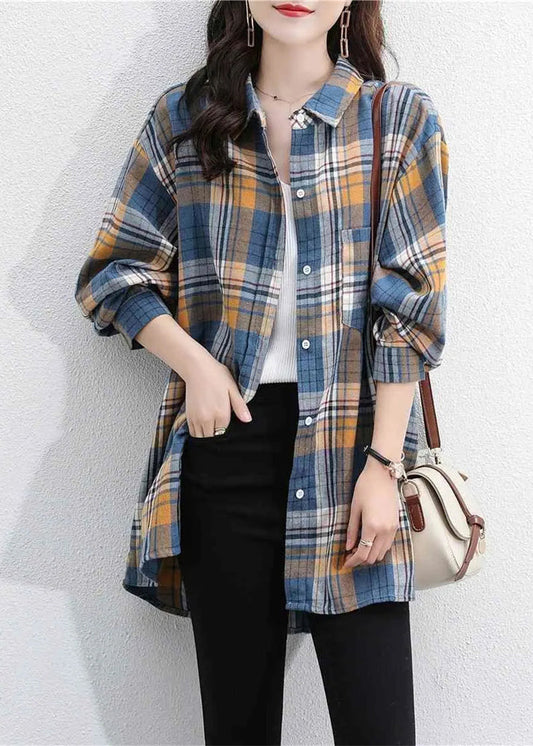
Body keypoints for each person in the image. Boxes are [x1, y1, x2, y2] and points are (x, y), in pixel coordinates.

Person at [74, 1, 449, 743]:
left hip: (352, 454)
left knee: (379, 728)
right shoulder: (186, 121)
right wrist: (196, 365)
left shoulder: (397, 119)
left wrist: (383, 465)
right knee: (237, 728)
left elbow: (410, 311)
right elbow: (113, 272)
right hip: (227, 454)